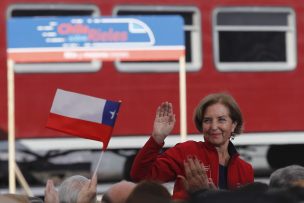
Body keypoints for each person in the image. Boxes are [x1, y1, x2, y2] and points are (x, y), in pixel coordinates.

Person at [130, 92, 254, 200]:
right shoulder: (187, 152)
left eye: (221, 120)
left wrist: (212, 196)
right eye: (207, 120)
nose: (214, 127)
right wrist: (157, 138)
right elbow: (140, 176)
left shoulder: (245, 170)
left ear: (233, 125)